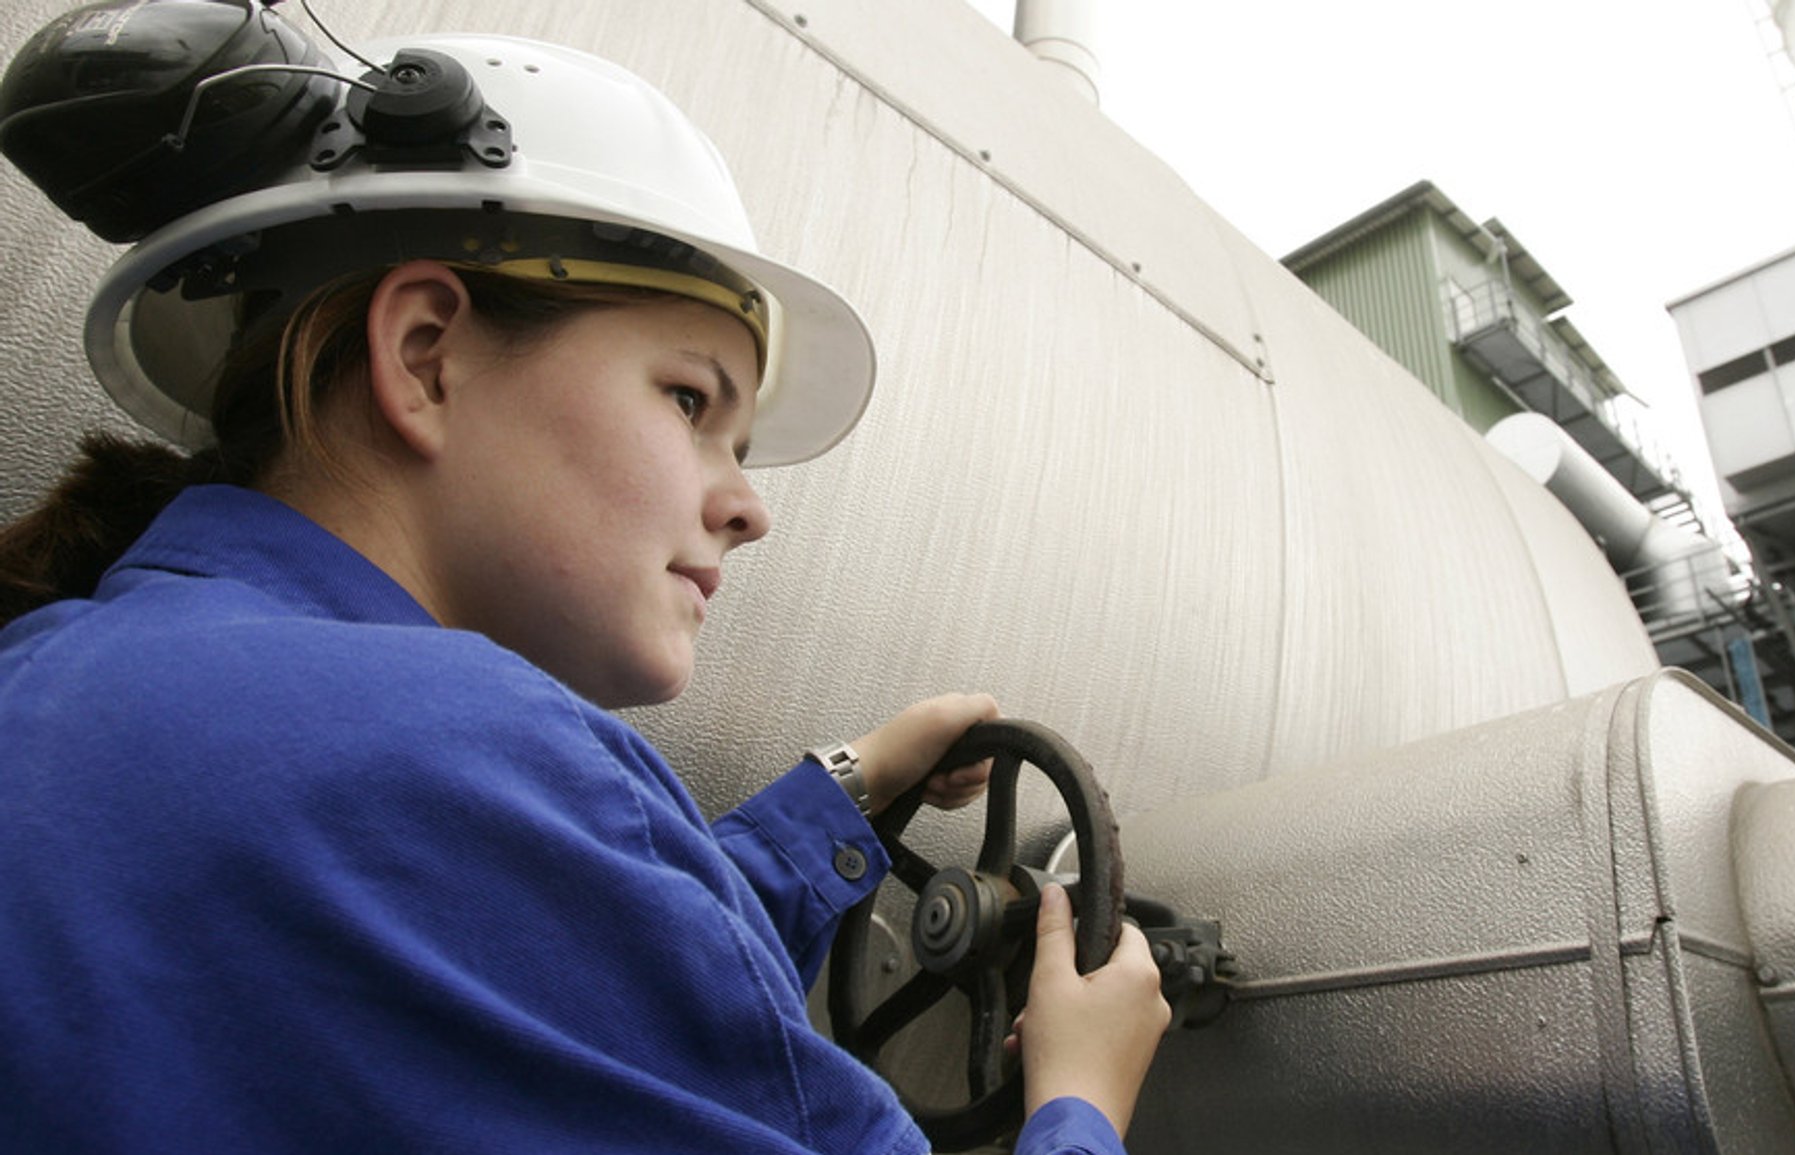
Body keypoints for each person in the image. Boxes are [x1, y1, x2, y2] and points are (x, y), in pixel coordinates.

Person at [0, 10, 1168, 1153]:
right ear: (425, 356)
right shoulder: (463, 752)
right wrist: (1076, 1099)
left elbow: (568, 983)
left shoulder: (72, 677)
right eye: (688, 400)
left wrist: (851, 785)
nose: (748, 507)